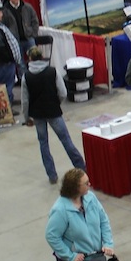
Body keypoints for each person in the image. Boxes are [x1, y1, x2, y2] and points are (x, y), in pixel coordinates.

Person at [21, 46, 86, 184]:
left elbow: (25, 100)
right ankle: (81, 167)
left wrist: (26, 118)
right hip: (53, 111)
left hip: (37, 114)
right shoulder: (52, 71)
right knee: (66, 140)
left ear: (30, 59)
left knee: (43, 143)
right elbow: (63, 92)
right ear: (42, 56)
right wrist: (56, 103)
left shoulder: (26, 77)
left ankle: (52, 175)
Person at [2, 0, 40, 71]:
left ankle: (37, 75)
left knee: (35, 59)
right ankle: (24, 78)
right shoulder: (5, 10)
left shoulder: (27, 7)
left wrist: (33, 34)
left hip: (29, 38)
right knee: (20, 64)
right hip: (15, 41)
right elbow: (3, 26)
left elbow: (35, 21)